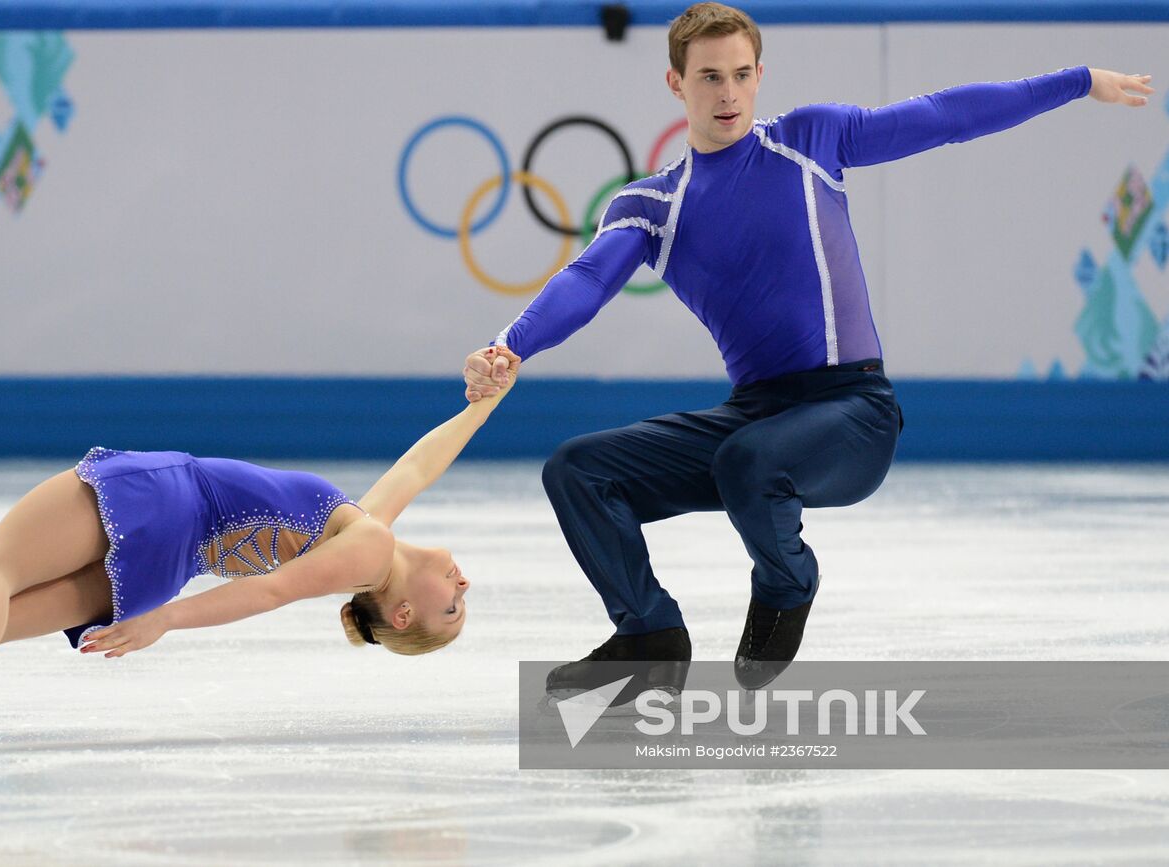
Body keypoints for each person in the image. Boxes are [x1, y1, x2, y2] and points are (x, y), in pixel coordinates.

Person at [464, 1, 1153, 699]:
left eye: (741, 74)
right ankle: (648, 634)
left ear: (760, 75)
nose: (728, 93)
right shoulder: (651, 205)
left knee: (747, 460)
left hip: (854, 413)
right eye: (709, 77)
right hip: (757, 414)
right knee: (579, 470)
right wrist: (508, 347)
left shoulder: (809, 142)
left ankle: (787, 584)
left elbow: (944, 116)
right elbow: (587, 279)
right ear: (676, 83)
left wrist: (1077, 81)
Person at [0, 356, 516, 751]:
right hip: (167, 562)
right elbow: (419, 465)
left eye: (452, 609)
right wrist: (485, 401)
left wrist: (168, 620)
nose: (465, 586)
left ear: (402, 612)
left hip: (170, 498)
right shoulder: (368, 535)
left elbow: (269, 592)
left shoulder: (370, 549)